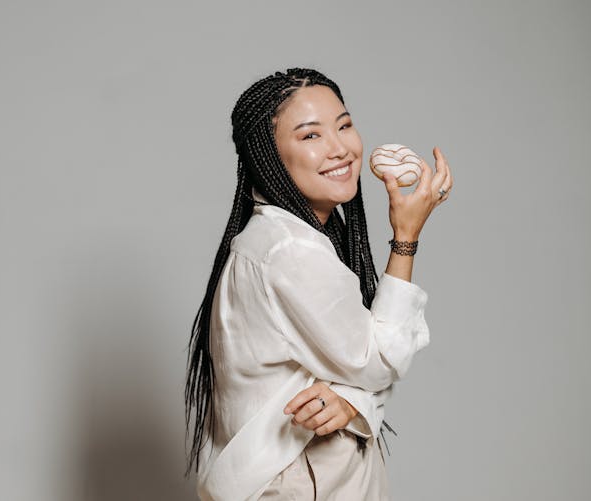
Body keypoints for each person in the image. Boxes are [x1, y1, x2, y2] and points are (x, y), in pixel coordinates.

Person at [184, 68, 453, 500]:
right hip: (306, 481)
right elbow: (381, 359)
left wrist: (352, 398)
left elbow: (361, 365)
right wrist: (405, 237)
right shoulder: (292, 251)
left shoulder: (284, 239)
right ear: (267, 156)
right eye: (311, 136)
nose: (341, 148)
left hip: (305, 476)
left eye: (344, 125)